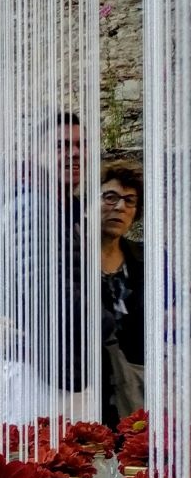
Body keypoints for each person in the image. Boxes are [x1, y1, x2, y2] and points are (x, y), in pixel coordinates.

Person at [0, 112, 93, 422]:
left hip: (41, 363)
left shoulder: (54, 206)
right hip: (35, 368)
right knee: (44, 464)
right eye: (61, 145)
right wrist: (104, 320)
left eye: (80, 145)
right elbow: (42, 292)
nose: (74, 153)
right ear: (36, 153)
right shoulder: (33, 206)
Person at [98, 163, 146, 425]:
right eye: (110, 197)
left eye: (130, 201)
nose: (120, 207)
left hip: (135, 386)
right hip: (88, 385)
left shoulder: (146, 260)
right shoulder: (72, 255)